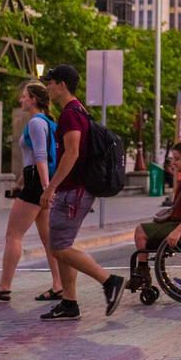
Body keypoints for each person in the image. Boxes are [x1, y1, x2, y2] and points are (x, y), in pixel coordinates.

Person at [38, 64, 125, 321]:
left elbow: (72, 152)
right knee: (61, 245)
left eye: (50, 82)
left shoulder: (70, 115)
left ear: (62, 84)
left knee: (59, 248)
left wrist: (50, 187)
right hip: (74, 189)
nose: (48, 87)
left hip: (74, 190)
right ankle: (69, 302)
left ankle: (109, 280)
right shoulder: (78, 111)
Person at [0, 82, 63, 303]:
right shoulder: (49, 122)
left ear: (34, 99)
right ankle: (59, 285)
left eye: (24, 96)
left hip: (38, 184)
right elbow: (35, 160)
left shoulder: (36, 122)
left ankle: (4, 287)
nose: (21, 99)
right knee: (48, 240)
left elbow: (41, 157)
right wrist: (20, 182)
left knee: (13, 236)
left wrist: (45, 188)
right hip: (37, 180)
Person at [128, 141, 181, 290]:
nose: (173, 162)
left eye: (177, 159)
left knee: (140, 231)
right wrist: (175, 174)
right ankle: (142, 272)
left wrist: (178, 231)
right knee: (145, 228)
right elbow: (177, 199)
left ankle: (142, 272)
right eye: (173, 159)